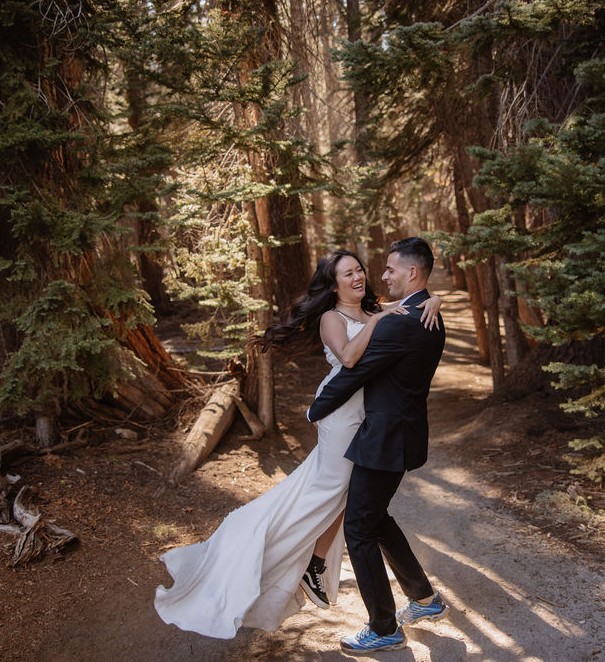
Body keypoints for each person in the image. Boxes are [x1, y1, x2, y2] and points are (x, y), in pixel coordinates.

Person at [153, 249, 440, 639]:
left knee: (359, 510)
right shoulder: (332, 317)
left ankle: (329, 570)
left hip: (366, 421)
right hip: (342, 415)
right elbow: (350, 360)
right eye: (347, 274)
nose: (359, 277)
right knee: (332, 496)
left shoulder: (376, 307)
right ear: (332, 283)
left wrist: (431, 298)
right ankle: (272, 551)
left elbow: (411, 299)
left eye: (360, 270)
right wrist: (317, 406)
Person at [307, 237, 448, 654]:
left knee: (359, 527)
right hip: (400, 434)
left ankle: (383, 626)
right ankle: (424, 599)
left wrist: (318, 409)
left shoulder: (401, 322)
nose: (380, 276)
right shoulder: (429, 314)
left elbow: (355, 373)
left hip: (383, 439)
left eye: (390, 269)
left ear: (412, 273)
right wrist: (435, 297)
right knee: (375, 516)